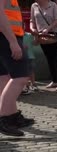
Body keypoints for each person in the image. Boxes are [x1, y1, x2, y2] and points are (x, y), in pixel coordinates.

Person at [0, 0, 35, 136]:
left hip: (5, 37)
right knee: (21, 76)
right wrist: (13, 42)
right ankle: (4, 119)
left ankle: (12, 115)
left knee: (4, 77)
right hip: (6, 37)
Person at [30, 0, 57, 91]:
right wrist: (32, 28)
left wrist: (48, 28)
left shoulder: (53, 5)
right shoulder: (34, 6)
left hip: (53, 34)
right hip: (41, 35)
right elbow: (32, 20)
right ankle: (54, 80)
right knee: (49, 58)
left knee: (56, 58)